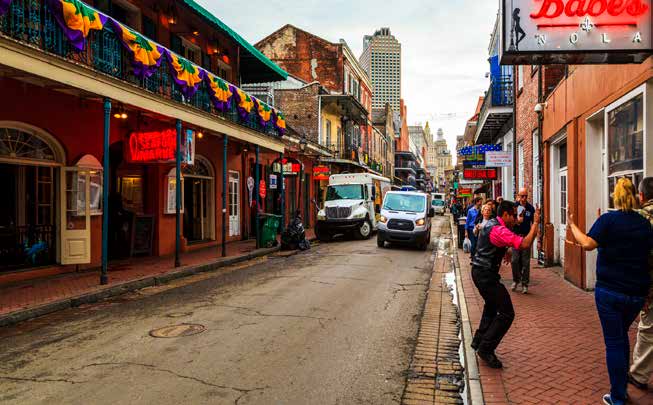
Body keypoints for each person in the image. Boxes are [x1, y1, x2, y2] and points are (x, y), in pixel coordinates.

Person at [567, 178, 653, 405]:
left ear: (616, 196)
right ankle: (622, 386)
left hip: (610, 292)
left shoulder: (608, 220)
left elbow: (587, 244)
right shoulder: (644, 224)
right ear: (636, 196)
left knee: (614, 342)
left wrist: (572, 226)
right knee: (622, 337)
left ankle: (617, 397)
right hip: (636, 293)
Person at [470, 200, 541, 369]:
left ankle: (479, 340)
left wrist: (506, 250)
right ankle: (486, 348)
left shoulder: (492, 225)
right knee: (507, 312)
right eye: (514, 215)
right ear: (506, 215)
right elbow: (524, 244)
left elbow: (495, 242)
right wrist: (536, 223)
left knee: (491, 306)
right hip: (486, 275)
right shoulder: (500, 229)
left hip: (480, 272)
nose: (515, 218)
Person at [629, 177, 653, 391]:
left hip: (649, 284)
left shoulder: (640, 219)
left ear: (642, 196)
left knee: (647, 330)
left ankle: (639, 374)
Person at [511, 188, 536, 294]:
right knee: (514, 260)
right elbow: (509, 222)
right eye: (522, 196)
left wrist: (534, 238)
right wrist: (517, 221)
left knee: (525, 262)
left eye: (526, 196)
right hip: (515, 237)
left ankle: (525, 284)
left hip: (526, 237)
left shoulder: (530, 208)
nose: (524, 198)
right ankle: (516, 280)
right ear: (518, 196)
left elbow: (534, 223)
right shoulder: (514, 207)